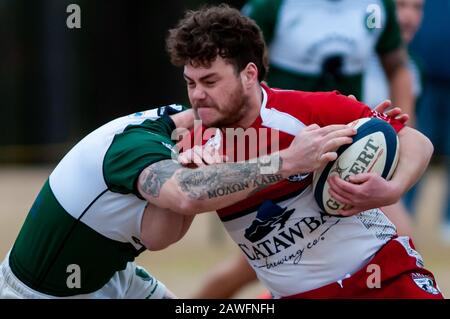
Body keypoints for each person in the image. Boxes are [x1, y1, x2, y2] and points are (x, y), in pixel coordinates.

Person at [167, 4, 442, 298]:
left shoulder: (307, 109)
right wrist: (287, 162)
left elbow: (417, 142)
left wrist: (392, 189)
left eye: (210, 81)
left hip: (381, 279)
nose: (197, 95)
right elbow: (181, 202)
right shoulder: (193, 143)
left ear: (249, 75)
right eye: (190, 83)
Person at [0, 103, 355, 298]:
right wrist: (286, 162)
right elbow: (187, 195)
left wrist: (358, 121)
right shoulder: (134, 149)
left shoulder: (183, 129)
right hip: (40, 294)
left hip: (111, 278)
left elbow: (159, 236)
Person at [242, 0, 415, 121]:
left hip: (350, 132)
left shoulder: (377, 5)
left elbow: (397, 68)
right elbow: (243, 71)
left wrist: (403, 131)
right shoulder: (269, 4)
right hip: (285, 132)